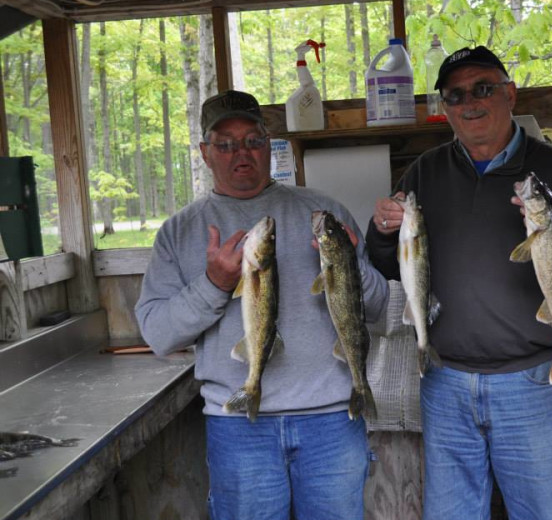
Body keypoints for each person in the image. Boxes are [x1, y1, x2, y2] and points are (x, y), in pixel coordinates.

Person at [366, 47, 552, 520]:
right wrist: (381, 231)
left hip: (534, 382)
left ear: (509, 94)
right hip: (445, 383)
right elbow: (391, 265)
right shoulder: (425, 172)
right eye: (455, 95)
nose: (470, 102)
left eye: (483, 88)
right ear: (445, 109)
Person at [135, 90, 388, 520]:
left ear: (270, 147)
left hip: (331, 422)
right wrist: (215, 283)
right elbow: (158, 334)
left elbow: (379, 311)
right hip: (239, 428)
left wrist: (349, 265)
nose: (241, 153)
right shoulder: (178, 232)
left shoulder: (323, 211)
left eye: (252, 140)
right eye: (225, 143)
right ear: (204, 152)